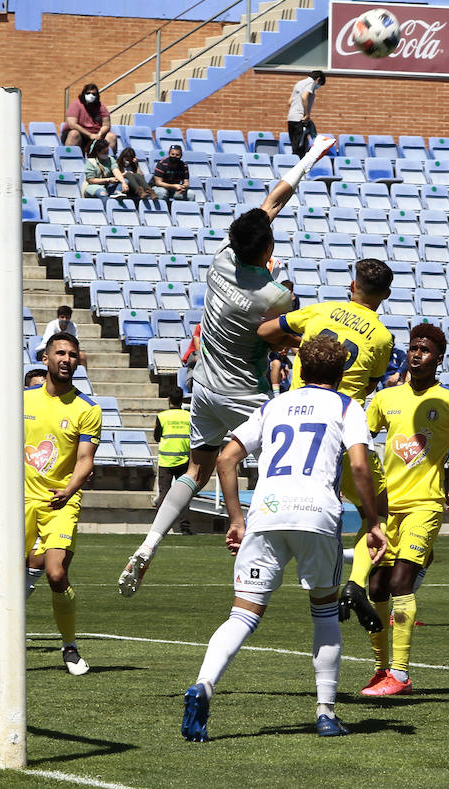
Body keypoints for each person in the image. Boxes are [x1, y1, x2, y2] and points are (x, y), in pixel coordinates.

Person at [117, 135, 336, 597]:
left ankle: (150, 542)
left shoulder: (220, 258)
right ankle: (259, 541)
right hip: (243, 392)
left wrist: (308, 158)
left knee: (195, 472)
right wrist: (311, 159)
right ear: (266, 248)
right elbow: (276, 333)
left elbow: (270, 204)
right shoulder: (274, 295)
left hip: (204, 386)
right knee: (288, 466)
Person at [180, 335, 386, 742]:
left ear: (301, 371)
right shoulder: (347, 405)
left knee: (243, 614)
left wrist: (236, 518)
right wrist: (372, 520)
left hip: (268, 511)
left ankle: (203, 684)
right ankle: (326, 712)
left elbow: (226, 457)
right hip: (316, 513)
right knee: (325, 612)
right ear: (343, 373)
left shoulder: (273, 406)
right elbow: (360, 467)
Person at [256, 259, 394, 630]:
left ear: (352, 285)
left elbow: (265, 329)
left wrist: (298, 342)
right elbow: (368, 386)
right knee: (377, 512)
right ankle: (355, 584)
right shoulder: (382, 338)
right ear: (386, 295)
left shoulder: (321, 310)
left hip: (297, 421)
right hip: (343, 427)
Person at [357, 323, 449, 697]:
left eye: (425, 350)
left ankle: (399, 675)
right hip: (388, 509)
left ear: (439, 359)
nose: (417, 354)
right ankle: (381, 669)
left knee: (400, 582)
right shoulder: (386, 398)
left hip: (426, 505)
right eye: (413, 348)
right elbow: (360, 441)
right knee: (376, 586)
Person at [22, 332, 102, 676]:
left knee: (56, 573)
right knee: (7, 577)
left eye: (72, 354)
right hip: (19, 501)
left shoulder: (87, 408)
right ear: (46, 358)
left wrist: (69, 489)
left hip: (61, 502)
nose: (66, 359)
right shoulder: (20, 400)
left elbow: (86, 458)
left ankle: (70, 647)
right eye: (60, 353)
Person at [154, 389, 193, 535]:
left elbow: (157, 437)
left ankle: (159, 529)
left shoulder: (162, 416)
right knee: (184, 495)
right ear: (182, 399)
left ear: (169, 399)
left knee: (164, 494)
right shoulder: (189, 416)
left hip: (166, 461)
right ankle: (185, 528)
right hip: (184, 460)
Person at [62, 83, 117, 151]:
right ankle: (69, 156)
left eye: (94, 94)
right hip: (79, 134)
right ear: (84, 94)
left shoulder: (101, 106)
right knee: (74, 134)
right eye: (88, 93)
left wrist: (99, 134)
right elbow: (72, 124)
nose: (91, 95)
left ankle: (109, 159)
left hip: (96, 135)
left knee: (111, 136)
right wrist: (90, 135)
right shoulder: (76, 104)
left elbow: (106, 125)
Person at [287, 70, 325, 157]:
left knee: (295, 147)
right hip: (300, 119)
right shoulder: (311, 83)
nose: (318, 87)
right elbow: (304, 97)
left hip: (291, 118)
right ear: (318, 80)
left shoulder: (299, 83)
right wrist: (307, 115)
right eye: (320, 84)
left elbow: (289, 102)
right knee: (301, 150)